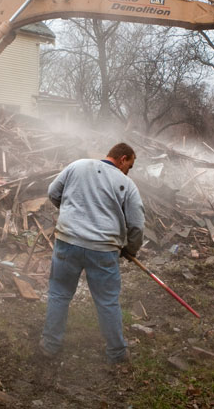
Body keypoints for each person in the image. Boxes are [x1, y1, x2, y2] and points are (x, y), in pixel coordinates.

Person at [39, 142, 145, 364]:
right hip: (103, 250)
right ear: (123, 159)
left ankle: (50, 346)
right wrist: (129, 249)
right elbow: (136, 225)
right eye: (130, 165)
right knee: (107, 301)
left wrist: (70, 210)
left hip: (67, 242)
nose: (129, 170)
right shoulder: (126, 184)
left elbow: (53, 193)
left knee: (59, 294)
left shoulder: (78, 166)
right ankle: (117, 353)